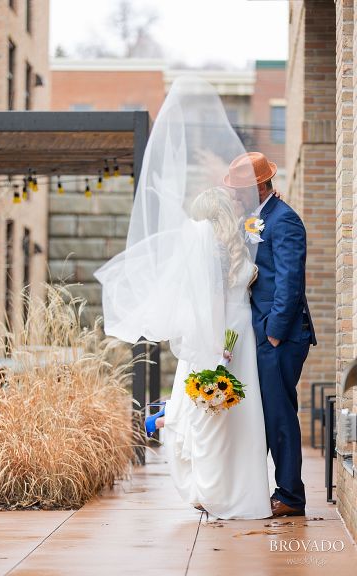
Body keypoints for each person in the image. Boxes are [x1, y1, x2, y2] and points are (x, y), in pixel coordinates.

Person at [94, 77, 272, 519]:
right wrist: (220, 346)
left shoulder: (221, 244)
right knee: (233, 418)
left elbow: (211, 298)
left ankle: (213, 488)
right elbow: (220, 294)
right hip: (236, 335)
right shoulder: (229, 247)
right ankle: (234, 490)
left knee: (215, 414)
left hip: (223, 335)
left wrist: (213, 346)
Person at [223, 151, 317, 517]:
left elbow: (291, 283)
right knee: (263, 415)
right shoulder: (257, 219)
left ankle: (291, 496)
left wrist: (274, 334)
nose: (235, 195)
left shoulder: (286, 220)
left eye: (240, 189)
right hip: (259, 334)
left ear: (260, 186)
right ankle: (247, 488)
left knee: (279, 415)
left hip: (281, 337)